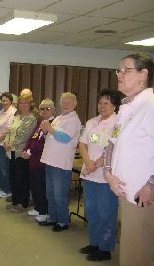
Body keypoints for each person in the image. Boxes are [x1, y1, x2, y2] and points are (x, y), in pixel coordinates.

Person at [103, 52, 154, 265]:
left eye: (126, 70)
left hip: (142, 194)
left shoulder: (150, 104)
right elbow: (112, 144)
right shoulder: (126, 106)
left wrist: (151, 183)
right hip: (123, 189)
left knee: (137, 253)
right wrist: (108, 173)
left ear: (143, 74)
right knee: (129, 251)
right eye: (118, 70)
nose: (120, 74)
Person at [78, 89, 120, 261]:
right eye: (100, 103)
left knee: (106, 213)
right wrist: (88, 162)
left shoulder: (118, 123)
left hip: (106, 177)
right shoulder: (91, 122)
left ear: (115, 106)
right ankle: (94, 243)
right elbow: (82, 144)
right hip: (89, 174)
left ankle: (105, 248)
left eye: (106, 103)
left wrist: (95, 165)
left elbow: (113, 149)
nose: (102, 107)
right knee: (91, 211)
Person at [39, 92, 81, 232]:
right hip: (49, 161)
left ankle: (63, 221)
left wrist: (50, 129)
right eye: (63, 101)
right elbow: (51, 136)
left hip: (61, 164)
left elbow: (65, 138)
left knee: (59, 195)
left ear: (74, 104)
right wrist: (46, 131)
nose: (65, 104)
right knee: (50, 193)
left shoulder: (74, 120)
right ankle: (53, 217)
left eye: (68, 102)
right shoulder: (58, 118)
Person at [22, 98, 55, 219]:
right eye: (42, 109)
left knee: (42, 187)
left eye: (48, 108)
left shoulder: (53, 124)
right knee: (34, 185)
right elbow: (32, 139)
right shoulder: (40, 124)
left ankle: (44, 211)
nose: (45, 111)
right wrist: (25, 150)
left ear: (53, 110)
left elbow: (42, 143)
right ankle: (37, 207)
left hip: (42, 161)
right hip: (33, 161)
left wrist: (30, 151)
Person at [4, 94, 37, 213]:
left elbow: (25, 135)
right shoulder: (16, 117)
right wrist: (6, 142)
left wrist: (11, 144)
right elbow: (9, 131)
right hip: (11, 151)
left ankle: (23, 203)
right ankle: (15, 201)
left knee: (21, 178)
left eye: (25, 103)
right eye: (21, 103)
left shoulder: (31, 118)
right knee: (12, 177)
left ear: (30, 105)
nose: (22, 105)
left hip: (21, 152)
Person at [0, 92, 17, 198]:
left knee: (4, 168)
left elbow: (9, 130)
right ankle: (3, 188)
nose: (3, 102)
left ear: (11, 101)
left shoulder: (13, 112)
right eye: (2, 100)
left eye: (6, 100)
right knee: (0, 166)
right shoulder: (2, 111)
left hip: (5, 144)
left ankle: (8, 190)